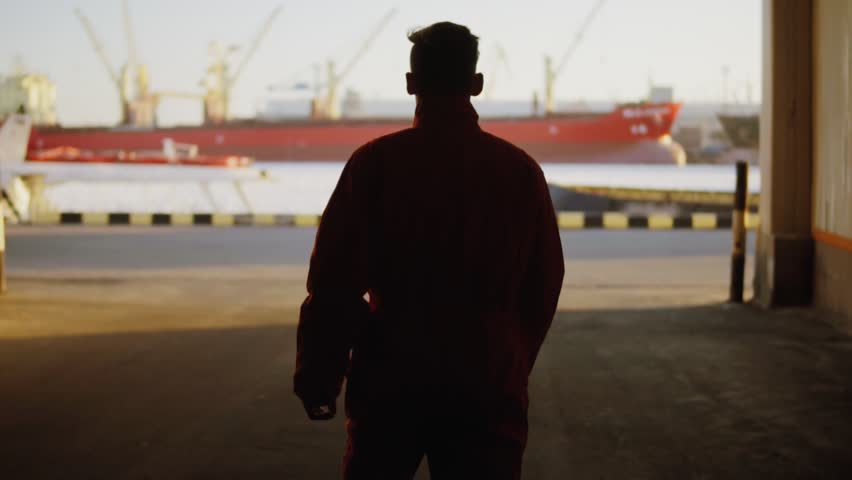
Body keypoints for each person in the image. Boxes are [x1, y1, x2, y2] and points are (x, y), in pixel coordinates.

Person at [294, 22, 564, 479]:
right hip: (487, 381)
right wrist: (510, 361)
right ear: (476, 85)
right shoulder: (520, 172)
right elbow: (543, 284)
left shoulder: (375, 164)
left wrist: (320, 375)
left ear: (410, 84)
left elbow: (334, 282)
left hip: (390, 379)